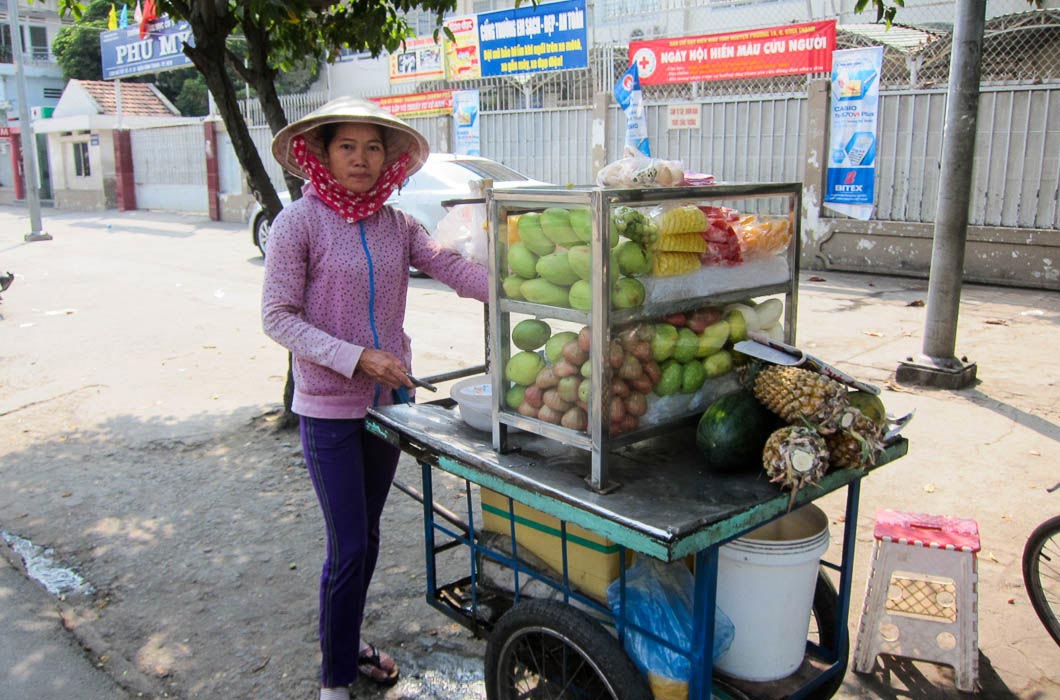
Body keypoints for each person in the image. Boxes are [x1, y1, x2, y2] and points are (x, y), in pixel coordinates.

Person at [261, 97, 488, 700]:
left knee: (371, 537)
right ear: (322, 154)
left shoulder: (396, 225)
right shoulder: (297, 224)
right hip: (328, 410)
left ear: (388, 159)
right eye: (347, 147)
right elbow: (278, 318)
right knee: (350, 544)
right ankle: (335, 680)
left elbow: (456, 271)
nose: (360, 160)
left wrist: (533, 290)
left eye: (372, 148)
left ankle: (347, 641)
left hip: (388, 406)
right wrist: (355, 357)